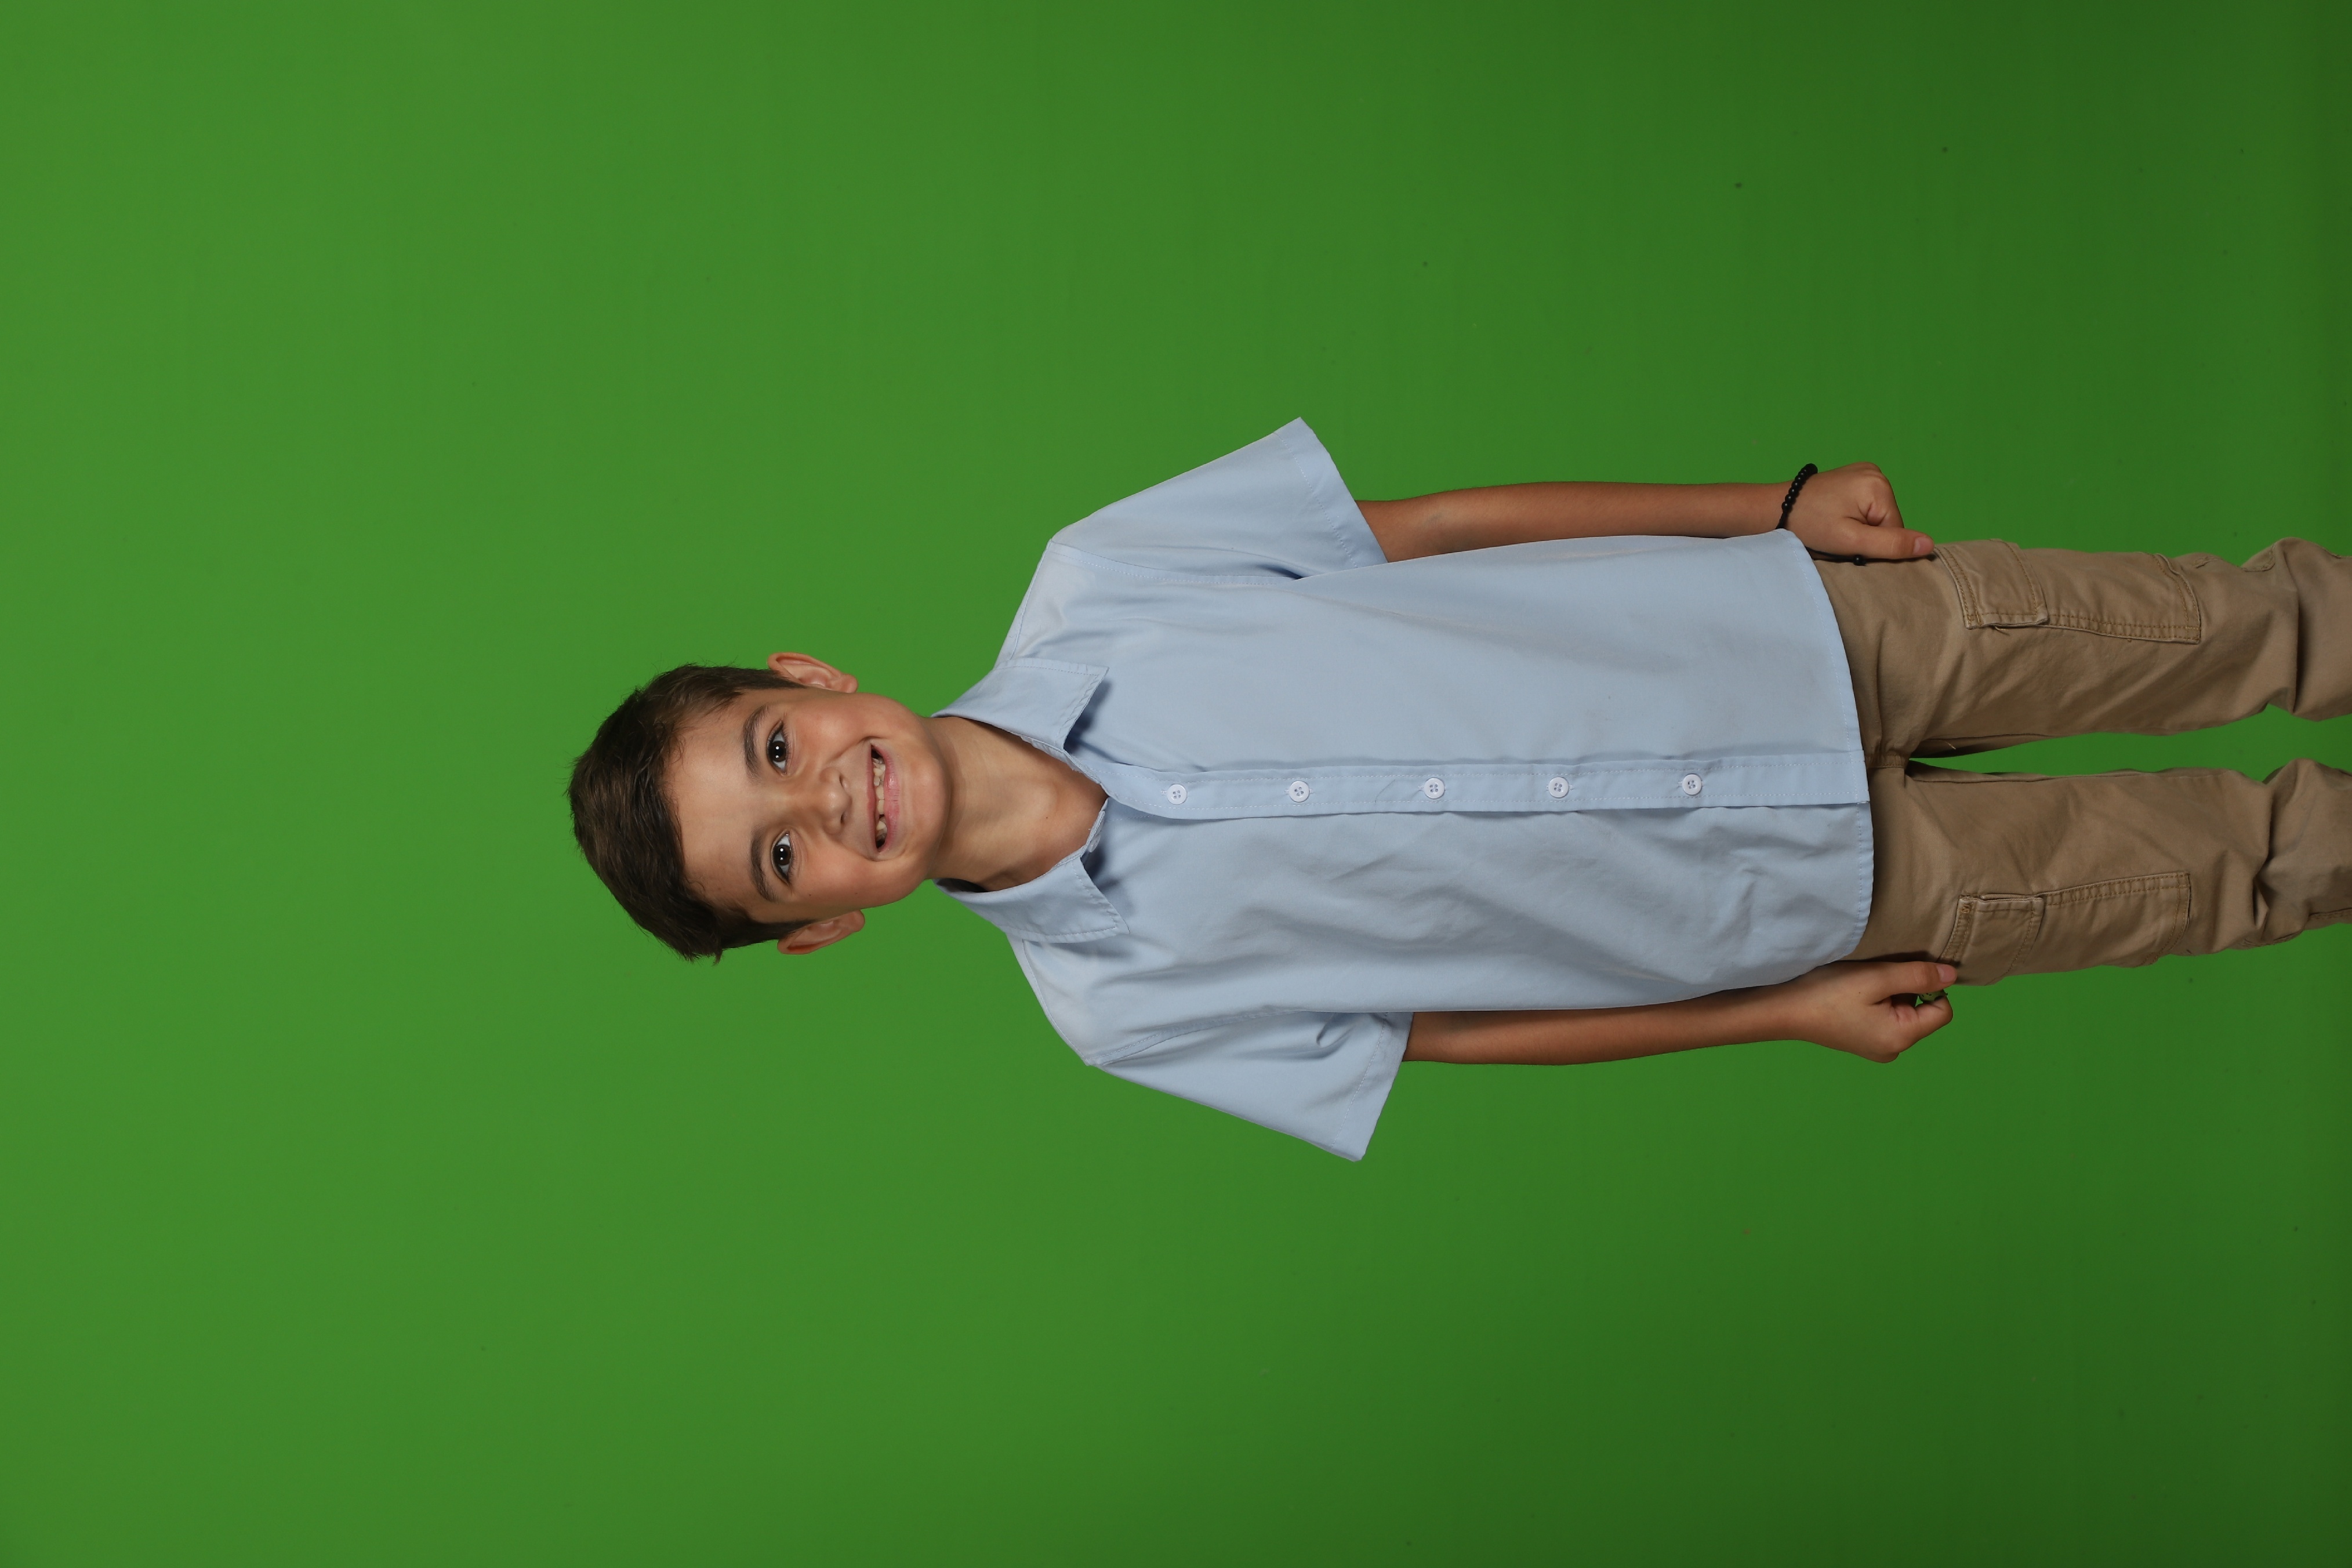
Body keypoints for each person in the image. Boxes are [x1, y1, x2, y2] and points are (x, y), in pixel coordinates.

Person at [567, 422, 2351, 1159]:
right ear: (819, 931)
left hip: (1803, 633)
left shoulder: (1101, 574)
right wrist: (1785, 1008)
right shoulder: (1120, 1011)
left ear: (807, 678)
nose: (826, 805)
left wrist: (1769, 509)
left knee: (2242, 624)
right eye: (781, 862)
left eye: (776, 752)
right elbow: (1454, 1034)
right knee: (2250, 866)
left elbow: (1430, 529)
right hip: (1814, 901)